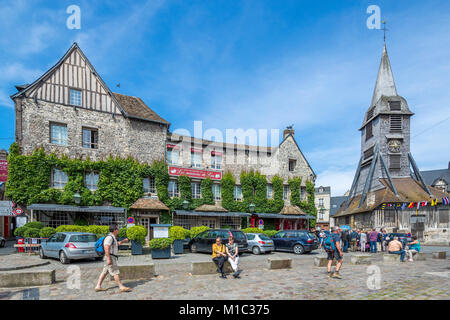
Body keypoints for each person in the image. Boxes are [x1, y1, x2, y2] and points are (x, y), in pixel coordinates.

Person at [95, 224, 131, 292]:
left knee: (105, 272)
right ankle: (121, 287)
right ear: (115, 230)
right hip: (110, 256)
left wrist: (123, 241)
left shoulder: (113, 237)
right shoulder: (109, 237)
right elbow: (106, 247)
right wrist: (109, 258)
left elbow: (117, 244)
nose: (118, 230)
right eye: (118, 229)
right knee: (115, 271)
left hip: (110, 256)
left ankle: (98, 286)